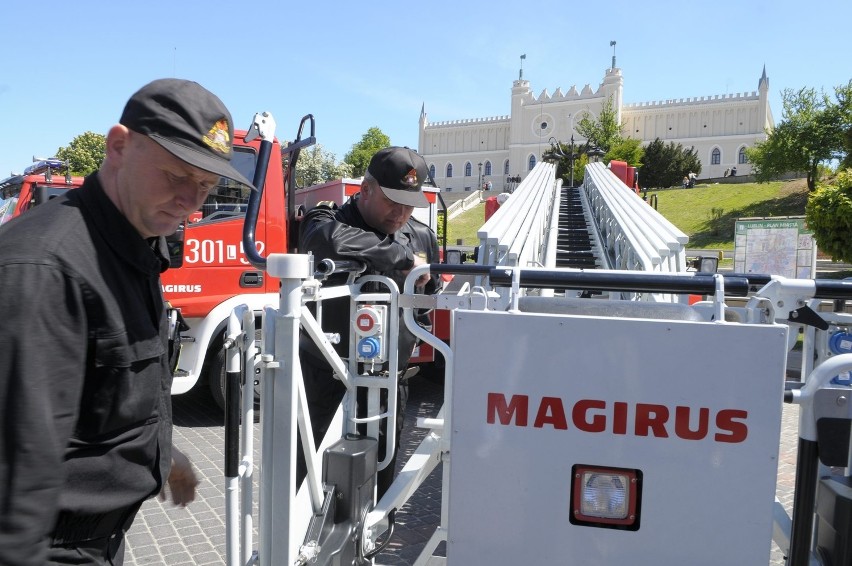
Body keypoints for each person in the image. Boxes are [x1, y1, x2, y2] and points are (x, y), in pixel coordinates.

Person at [0, 78, 254, 565]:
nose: (190, 202)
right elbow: (16, 484)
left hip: (99, 540)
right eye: (176, 175)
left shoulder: (135, 249)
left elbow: (114, 391)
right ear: (119, 146)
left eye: (205, 186)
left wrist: (162, 457)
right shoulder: (46, 269)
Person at [297, 146, 440, 497]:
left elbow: (425, 304)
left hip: (388, 383)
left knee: (379, 481)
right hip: (326, 380)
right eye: (393, 200)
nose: (402, 212)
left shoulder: (421, 236)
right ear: (366, 188)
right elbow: (323, 241)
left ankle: (371, 545)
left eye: (410, 203)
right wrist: (400, 256)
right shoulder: (328, 221)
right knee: (309, 482)